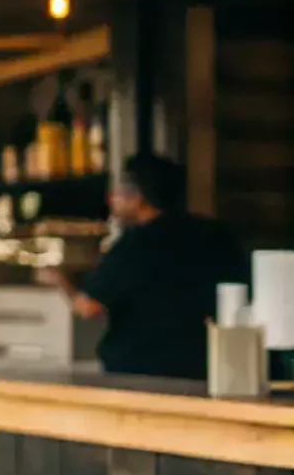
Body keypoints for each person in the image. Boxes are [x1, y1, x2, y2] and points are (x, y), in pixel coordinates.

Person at [42, 154, 249, 379]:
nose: (112, 199)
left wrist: (59, 279)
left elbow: (87, 307)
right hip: (204, 366)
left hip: (137, 369)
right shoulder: (215, 235)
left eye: (119, 193)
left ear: (139, 198)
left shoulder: (133, 244)